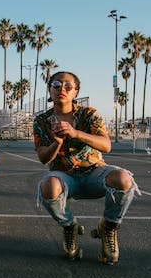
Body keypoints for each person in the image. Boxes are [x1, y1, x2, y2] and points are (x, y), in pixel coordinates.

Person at [33, 71, 140, 264]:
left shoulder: (88, 114)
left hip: (94, 172)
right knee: (48, 187)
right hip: (65, 177)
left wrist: (76, 133)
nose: (62, 89)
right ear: (50, 90)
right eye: (56, 84)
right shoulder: (42, 121)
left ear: (76, 92)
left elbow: (106, 145)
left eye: (68, 86)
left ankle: (108, 226)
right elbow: (43, 158)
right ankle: (69, 226)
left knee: (124, 179)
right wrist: (57, 143)